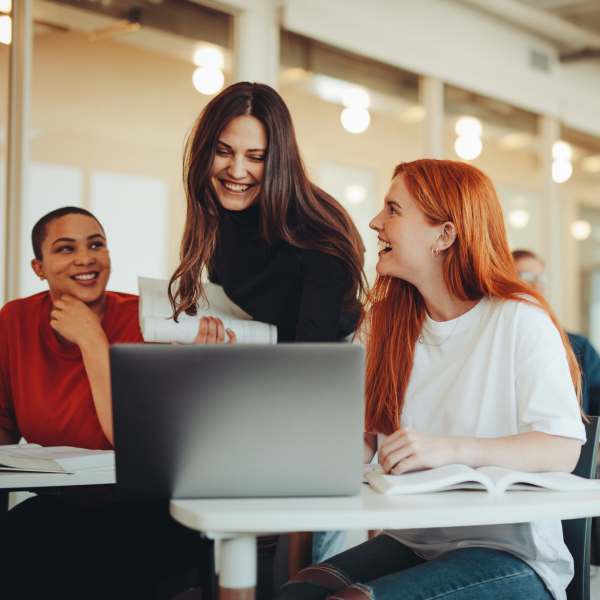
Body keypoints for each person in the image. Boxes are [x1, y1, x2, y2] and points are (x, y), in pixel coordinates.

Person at [276, 159, 585, 600]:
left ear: (444, 235)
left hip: (511, 555)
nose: (375, 222)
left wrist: (451, 450)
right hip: (414, 541)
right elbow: (367, 440)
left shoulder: (520, 319)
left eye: (393, 210)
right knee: (295, 593)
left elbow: (562, 447)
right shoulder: (384, 324)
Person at [168, 81, 367, 584]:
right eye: (224, 151)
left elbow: (312, 370)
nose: (237, 171)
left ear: (279, 159)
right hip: (269, 388)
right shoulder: (221, 219)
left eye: (255, 156)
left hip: (330, 403)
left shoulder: (318, 231)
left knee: (301, 566)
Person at [0, 206, 212, 599]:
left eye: (96, 244)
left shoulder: (151, 320)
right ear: (38, 267)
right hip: (60, 510)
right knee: (20, 537)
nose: (86, 258)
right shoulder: (14, 320)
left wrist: (92, 341)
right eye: (65, 249)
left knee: (104, 562)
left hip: (146, 510)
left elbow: (136, 444)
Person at [512, 248, 600, 416]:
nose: (536, 285)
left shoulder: (580, 347)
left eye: (541, 278)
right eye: (526, 277)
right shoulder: (496, 344)